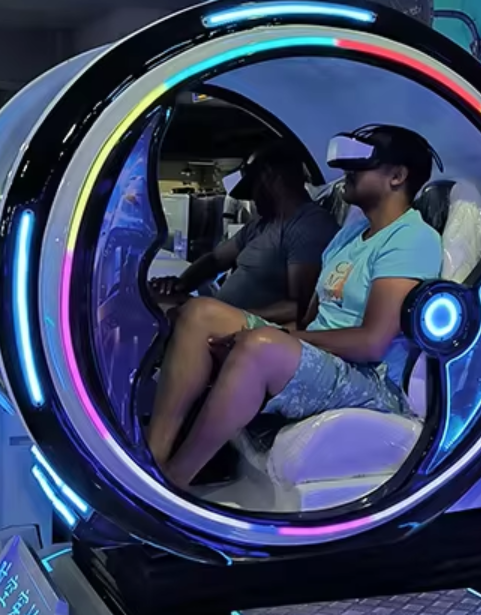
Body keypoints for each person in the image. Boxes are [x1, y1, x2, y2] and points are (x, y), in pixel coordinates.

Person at [147, 124, 444, 488]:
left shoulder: (412, 238)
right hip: (325, 358)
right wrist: (281, 335)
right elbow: (312, 318)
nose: (346, 173)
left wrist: (279, 338)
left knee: (260, 346)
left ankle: (173, 483)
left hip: (371, 379)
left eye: (359, 166)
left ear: (397, 176)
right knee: (199, 314)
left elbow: (372, 342)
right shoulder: (351, 235)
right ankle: (152, 460)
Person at [150, 141, 339, 325]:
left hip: (244, 329)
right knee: (152, 296)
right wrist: (180, 285)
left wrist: (227, 316)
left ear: (270, 177)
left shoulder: (310, 225)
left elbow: (300, 308)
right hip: (219, 318)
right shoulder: (260, 224)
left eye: (253, 189)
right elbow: (215, 260)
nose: (253, 199)